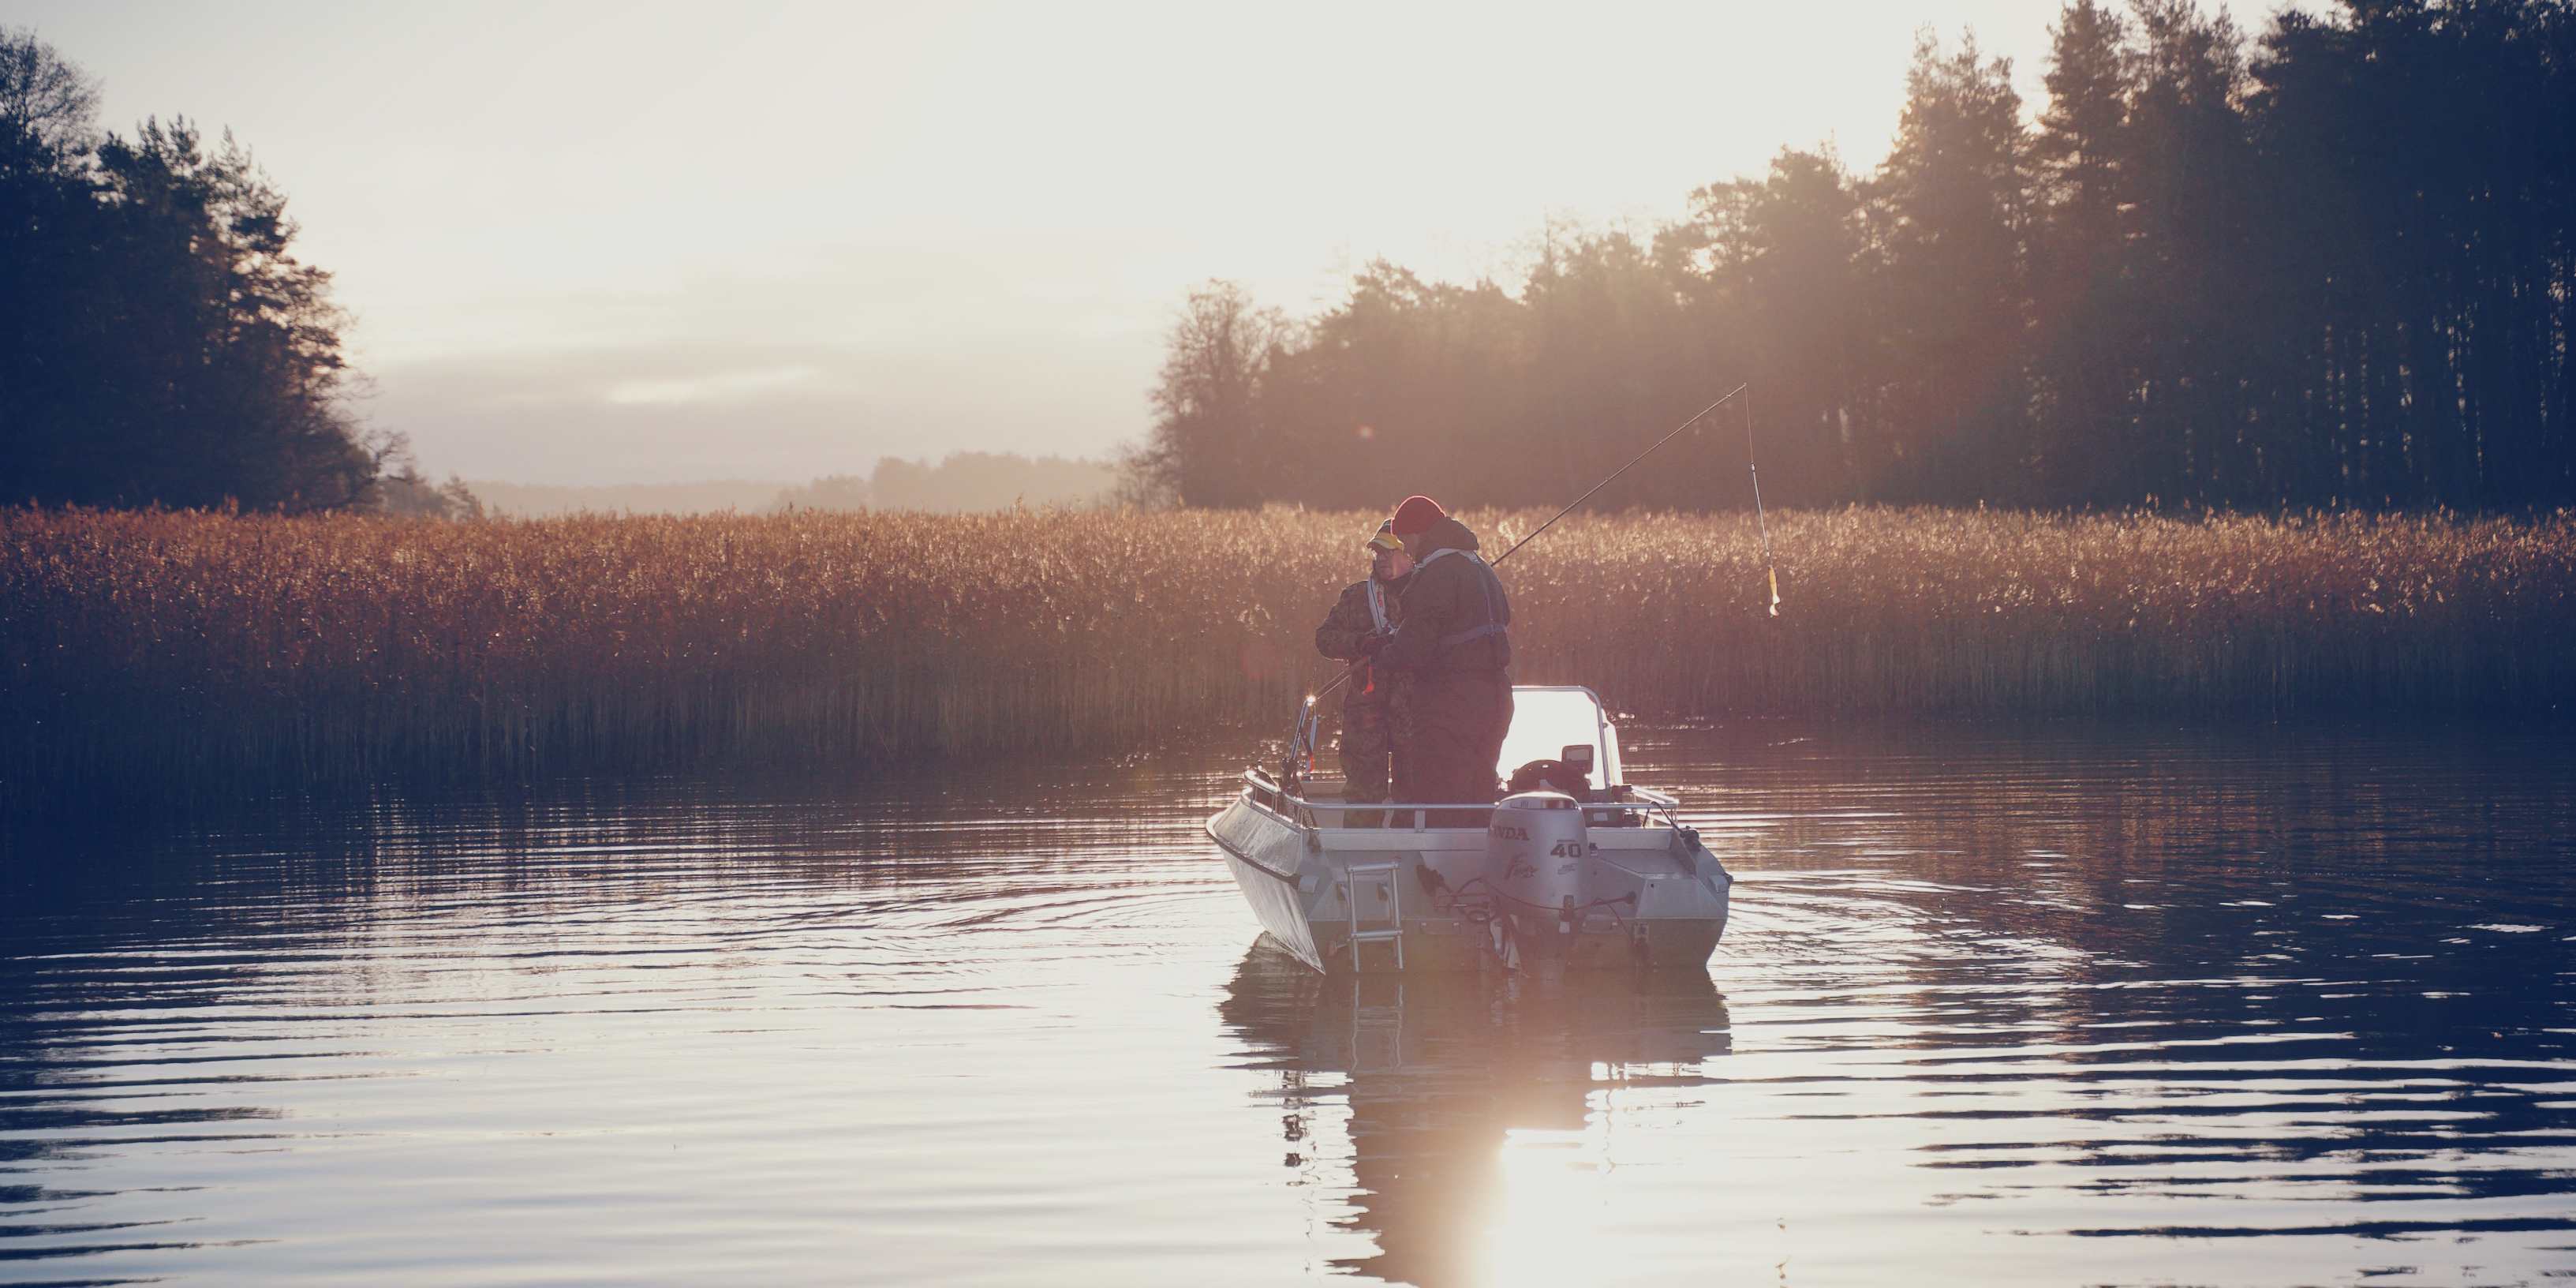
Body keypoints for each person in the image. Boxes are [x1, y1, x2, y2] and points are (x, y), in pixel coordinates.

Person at [1370, 495, 1512, 821]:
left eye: (1405, 539)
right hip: (1496, 699)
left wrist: (1379, 653)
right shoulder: (1483, 569)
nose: (1405, 548)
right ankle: (1474, 868)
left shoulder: (1434, 575)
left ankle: (1439, 872)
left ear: (1419, 533)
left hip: (1451, 706)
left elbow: (1411, 652)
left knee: (1441, 800)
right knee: (1478, 799)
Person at [1314, 521, 1414, 821]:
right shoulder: (1356, 596)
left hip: (1412, 714)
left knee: (1412, 791)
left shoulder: (1425, 596)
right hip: (1364, 716)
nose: (1381, 558)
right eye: (1377, 551)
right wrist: (1360, 643)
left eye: (1389, 551)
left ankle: (1409, 858)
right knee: (1362, 793)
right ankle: (1356, 855)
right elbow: (1324, 639)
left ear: (1409, 555)